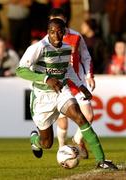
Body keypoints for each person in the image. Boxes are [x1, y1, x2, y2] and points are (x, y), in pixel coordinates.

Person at [16, 18, 118, 170]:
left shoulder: (66, 48)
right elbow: (20, 70)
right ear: (47, 32)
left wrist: (81, 85)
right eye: (52, 32)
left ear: (64, 32)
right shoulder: (39, 47)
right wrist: (46, 78)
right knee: (47, 143)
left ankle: (101, 160)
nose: (55, 35)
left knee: (81, 118)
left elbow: (68, 69)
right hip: (42, 97)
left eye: (59, 31)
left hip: (61, 91)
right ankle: (35, 140)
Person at [48, 8, 95, 158]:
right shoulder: (46, 40)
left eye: (59, 19)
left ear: (65, 20)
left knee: (89, 116)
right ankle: (62, 149)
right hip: (60, 84)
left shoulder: (76, 36)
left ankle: (76, 139)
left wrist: (89, 75)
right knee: (63, 122)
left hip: (76, 81)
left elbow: (86, 57)